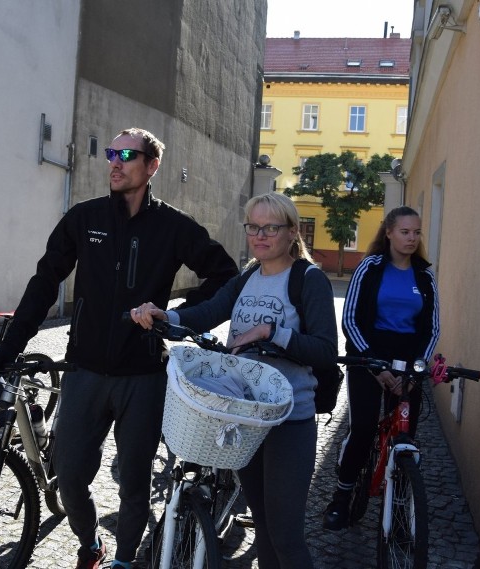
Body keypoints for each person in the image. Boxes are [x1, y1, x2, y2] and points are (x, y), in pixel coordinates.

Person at [0, 127, 239, 569]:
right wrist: (7, 348)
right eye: (110, 153)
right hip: (84, 371)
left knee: (135, 484)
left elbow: (226, 277)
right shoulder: (84, 219)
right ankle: (90, 545)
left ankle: (123, 559)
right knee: (70, 479)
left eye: (127, 154)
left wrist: (174, 314)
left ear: (152, 165)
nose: (115, 162)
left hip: (142, 375)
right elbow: (44, 284)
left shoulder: (174, 226)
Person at [131, 191, 338, 568]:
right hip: (246, 417)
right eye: (253, 227)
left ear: (292, 232)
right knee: (263, 525)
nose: (260, 235)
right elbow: (208, 311)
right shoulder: (247, 278)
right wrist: (166, 316)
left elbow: (325, 349)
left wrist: (270, 332)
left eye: (270, 228)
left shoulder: (308, 281)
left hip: (289, 420)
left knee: (286, 534)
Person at [323, 205, 440, 530]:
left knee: (406, 436)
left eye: (416, 232)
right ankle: (342, 497)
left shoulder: (425, 275)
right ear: (389, 232)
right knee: (362, 429)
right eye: (405, 231)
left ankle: (401, 507)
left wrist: (417, 369)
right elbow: (349, 318)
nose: (412, 238)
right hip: (367, 357)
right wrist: (372, 362)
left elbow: (432, 328)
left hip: (407, 361)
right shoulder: (370, 268)